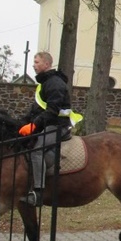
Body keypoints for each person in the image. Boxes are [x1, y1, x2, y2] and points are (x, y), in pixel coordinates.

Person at [18, 51, 81, 207]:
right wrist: (21, 123)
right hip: (49, 124)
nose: (34, 65)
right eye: (34, 62)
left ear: (47, 64)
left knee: (36, 150)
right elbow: (37, 109)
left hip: (59, 126)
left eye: (37, 62)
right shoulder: (44, 83)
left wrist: (34, 125)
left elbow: (52, 110)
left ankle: (38, 193)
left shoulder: (55, 83)